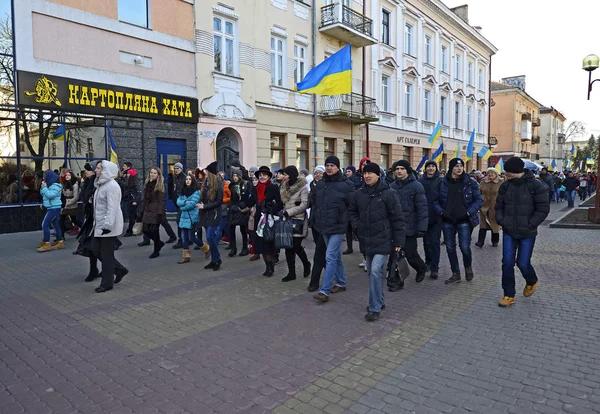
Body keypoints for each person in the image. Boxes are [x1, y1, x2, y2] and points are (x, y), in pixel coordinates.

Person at [349, 162, 405, 321]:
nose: (366, 176)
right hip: (366, 239)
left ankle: (374, 308)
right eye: (364, 173)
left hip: (384, 239)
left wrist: (398, 242)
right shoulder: (359, 194)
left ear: (378, 175)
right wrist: (356, 226)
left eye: (370, 173)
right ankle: (379, 300)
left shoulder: (389, 193)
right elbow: (352, 211)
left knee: (375, 271)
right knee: (371, 272)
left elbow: (398, 219)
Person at [495, 157, 550, 307]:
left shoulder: (536, 186)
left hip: (527, 232)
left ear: (517, 171)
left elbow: (543, 209)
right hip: (509, 231)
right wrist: (501, 220)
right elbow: (498, 206)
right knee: (507, 263)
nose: (506, 174)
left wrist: (530, 224)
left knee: (523, 263)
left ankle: (531, 280)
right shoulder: (505, 186)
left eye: (508, 171)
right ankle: (508, 295)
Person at [313, 156, 355, 303]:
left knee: (329, 256)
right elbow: (316, 204)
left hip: (338, 226)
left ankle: (324, 290)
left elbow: (352, 206)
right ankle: (341, 282)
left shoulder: (346, 185)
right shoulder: (321, 184)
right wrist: (315, 219)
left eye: (332, 165)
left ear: (338, 167)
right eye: (327, 165)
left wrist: (347, 222)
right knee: (335, 256)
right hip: (323, 226)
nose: (329, 168)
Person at [433, 158, 482, 284]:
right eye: (456, 166)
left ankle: (468, 267)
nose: (459, 168)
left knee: (465, 247)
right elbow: (435, 201)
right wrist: (442, 212)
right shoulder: (442, 182)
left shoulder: (470, 182)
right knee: (450, 248)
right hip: (448, 220)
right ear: (451, 168)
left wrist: (468, 212)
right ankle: (455, 273)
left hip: (464, 220)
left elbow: (478, 200)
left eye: (461, 166)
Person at [91, 160, 129, 293]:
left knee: (106, 255)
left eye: (99, 168)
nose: (96, 170)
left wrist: (107, 225)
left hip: (108, 226)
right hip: (100, 224)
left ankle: (107, 283)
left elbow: (112, 208)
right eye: (96, 168)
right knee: (95, 249)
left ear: (106, 170)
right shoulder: (101, 185)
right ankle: (120, 269)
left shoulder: (112, 186)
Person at [390, 160, 428, 283]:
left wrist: (421, 227)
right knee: (394, 254)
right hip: (395, 227)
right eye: (397, 169)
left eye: (402, 168)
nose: (399, 171)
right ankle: (395, 279)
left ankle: (421, 268)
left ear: (407, 170)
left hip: (410, 226)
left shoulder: (416, 186)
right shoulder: (392, 186)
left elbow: (422, 208)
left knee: (411, 254)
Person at [248, 166, 282, 276]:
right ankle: (267, 266)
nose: (262, 177)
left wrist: (271, 209)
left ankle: (270, 267)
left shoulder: (273, 187)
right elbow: (250, 202)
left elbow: (280, 203)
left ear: (268, 176)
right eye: (260, 175)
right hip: (259, 219)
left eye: (264, 175)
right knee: (261, 245)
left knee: (268, 244)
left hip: (269, 219)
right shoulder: (256, 188)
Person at [279, 166, 311, 282]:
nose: (284, 177)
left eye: (286, 174)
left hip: (298, 220)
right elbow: (283, 203)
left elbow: (304, 205)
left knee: (296, 246)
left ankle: (306, 263)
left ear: (291, 175)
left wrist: (289, 212)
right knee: (288, 247)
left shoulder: (302, 187)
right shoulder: (284, 187)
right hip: (287, 220)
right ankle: (291, 273)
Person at [176, 173, 210, 263]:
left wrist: (182, 206)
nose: (187, 181)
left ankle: (206, 248)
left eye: (189, 179)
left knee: (192, 238)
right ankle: (186, 256)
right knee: (183, 237)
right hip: (183, 217)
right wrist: (185, 202)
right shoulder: (183, 191)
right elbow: (178, 201)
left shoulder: (197, 192)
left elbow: (192, 204)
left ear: (193, 181)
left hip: (192, 217)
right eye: (186, 179)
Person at [418, 160, 442, 280]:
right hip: (424, 216)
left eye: (433, 166)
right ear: (426, 168)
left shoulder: (441, 181)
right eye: (429, 166)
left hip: (437, 216)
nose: (431, 168)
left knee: (435, 243)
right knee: (426, 242)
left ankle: (435, 268)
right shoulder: (420, 181)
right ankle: (428, 262)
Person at [198, 162, 224, 270]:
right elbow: (202, 198)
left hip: (214, 214)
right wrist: (199, 203)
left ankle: (217, 259)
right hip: (205, 215)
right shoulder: (205, 183)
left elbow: (219, 201)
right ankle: (213, 260)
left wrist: (205, 206)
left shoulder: (218, 183)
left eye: (207, 171)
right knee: (210, 238)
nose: (205, 173)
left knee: (209, 237)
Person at [139, 167, 167, 259]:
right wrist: (141, 211)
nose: (152, 174)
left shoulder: (160, 185)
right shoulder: (148, 184)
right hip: (147, 210)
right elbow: (145, 199)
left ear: (158, 175)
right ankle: (159, 243)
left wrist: (160, 213)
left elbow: (161, 200)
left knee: (155, 231)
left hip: (156, 211)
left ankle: (156, 250)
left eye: (155, 173)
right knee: (145, 230)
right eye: (151, 172)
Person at [37, 170, 65, 252]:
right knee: (55, 224)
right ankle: (60, 242)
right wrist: (43, 188)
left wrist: (45, 188)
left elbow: (50, 195)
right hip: (51, 207)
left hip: (54, 208)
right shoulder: (49, 185)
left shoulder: (55, 186)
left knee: (45, 224)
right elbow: (43, 194)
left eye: (44, 176)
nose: (43, 178)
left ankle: (47, 243)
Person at [476, 168, 503, 248]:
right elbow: (478, 192)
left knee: (494, 224)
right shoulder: (483, 181)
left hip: (495, 206)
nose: (490, 174)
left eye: (492, 173)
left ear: (496, 174)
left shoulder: (501, 182)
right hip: (484, 206)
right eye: (489, 173)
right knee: (483, 224)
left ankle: (495, 241)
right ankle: (480, 242)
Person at [227, 169, 251, 257]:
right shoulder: (232, 185)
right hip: (233, 208)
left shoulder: (245, 184)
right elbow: (231, 198)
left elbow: (248, 197)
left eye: (236, 176)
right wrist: (231, 206)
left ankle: (245, 248)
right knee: (231, 228)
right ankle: (233, 248)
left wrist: (243, 206)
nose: (235, 178)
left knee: (243, 230)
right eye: (233, 176)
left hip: (242, 209)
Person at [60, 170, 82, 236]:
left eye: (69, 175)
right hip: (65, 205)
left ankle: (84, 229)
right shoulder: (64, 184)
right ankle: (61, 237)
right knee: (61, 220)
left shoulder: (75, 185)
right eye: (66, 175)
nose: (67, 176)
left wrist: (68, 203)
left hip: (71, 205)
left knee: (74, 220)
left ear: (72, 176)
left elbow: (76, 197)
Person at [169, 162, 186, 249]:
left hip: (182, 203)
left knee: (179, 221)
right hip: (177, 202)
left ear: (181, 169)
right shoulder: (175, 178)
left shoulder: (184, 178)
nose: (176, 170)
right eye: (175, 168)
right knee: (181, 221)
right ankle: (186, 239)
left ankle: (181, 240)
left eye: (178, 168)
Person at [122, 169, 140, 237]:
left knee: (131, 216)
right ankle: (134, 230)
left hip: (132, 202)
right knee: (133, 216)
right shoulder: (129, 182)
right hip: (130, 201)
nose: (127, 175)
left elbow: (139, 193)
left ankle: (130, 230)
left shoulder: (134, 183)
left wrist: (136, 201)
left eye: (128, 174)